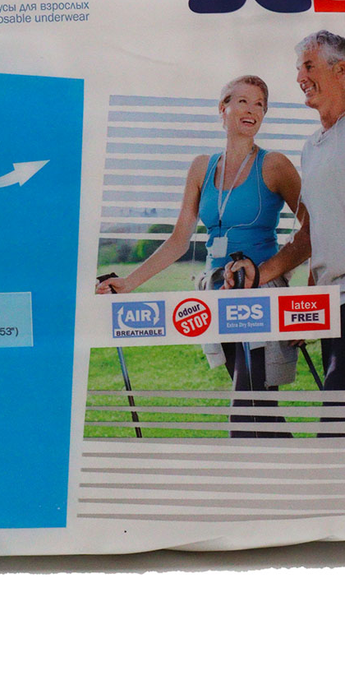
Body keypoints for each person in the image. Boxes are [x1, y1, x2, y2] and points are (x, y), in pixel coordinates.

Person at [97, 76, 304, 437]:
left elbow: (313, 229)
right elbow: (180, 239)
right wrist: (128, 283)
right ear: (223, 109)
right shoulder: (201, 167)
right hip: (216, 294)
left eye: (259, 104)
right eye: (242, 101)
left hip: (259, 295)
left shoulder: (274, 165)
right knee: (261, 411)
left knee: (248, 410)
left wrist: (268, 275)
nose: (252, 110)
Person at [226, 32, 345, 393]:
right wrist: (263, 276)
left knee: (340, 418)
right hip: (331, 306)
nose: (300, 77)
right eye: (299, 69)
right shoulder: (311, 148)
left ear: (341, 69)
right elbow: (311, 235)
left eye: (309, 66)